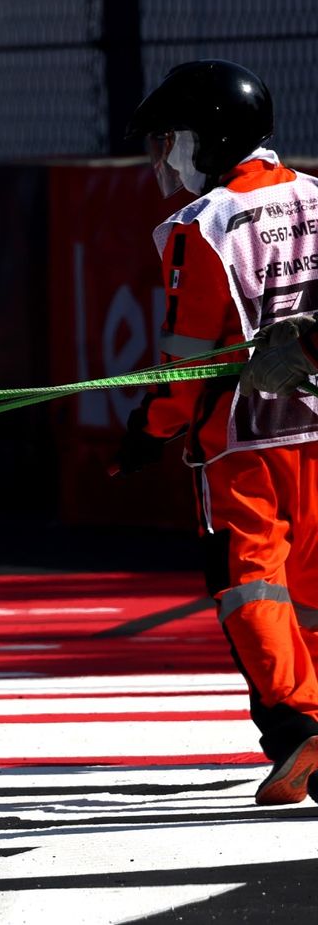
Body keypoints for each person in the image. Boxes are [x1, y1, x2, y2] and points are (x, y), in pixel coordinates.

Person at [111, 59, 318, 805]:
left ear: (211, 139)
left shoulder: (201, 227)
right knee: (314, 584)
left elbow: (189, 354)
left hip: (243, 439)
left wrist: (152, 426)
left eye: (174, 141)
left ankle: (298, 724)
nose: (168, 157)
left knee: (250, 579)